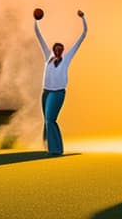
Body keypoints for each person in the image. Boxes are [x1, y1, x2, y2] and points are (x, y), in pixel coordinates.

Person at [34, 9, 88, 155]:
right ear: (53, 49)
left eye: (60, 49)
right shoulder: (48, 57)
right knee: (47, 120)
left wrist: (83, 19)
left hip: (58, 92)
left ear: (63, 50)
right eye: (56, 49)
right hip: (45, 91)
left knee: (50, 119)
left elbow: (83, 36)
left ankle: (55, 150)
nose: (58, 51)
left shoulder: (67, 58)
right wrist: (36, 21)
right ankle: (49, 146)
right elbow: (39, 37)